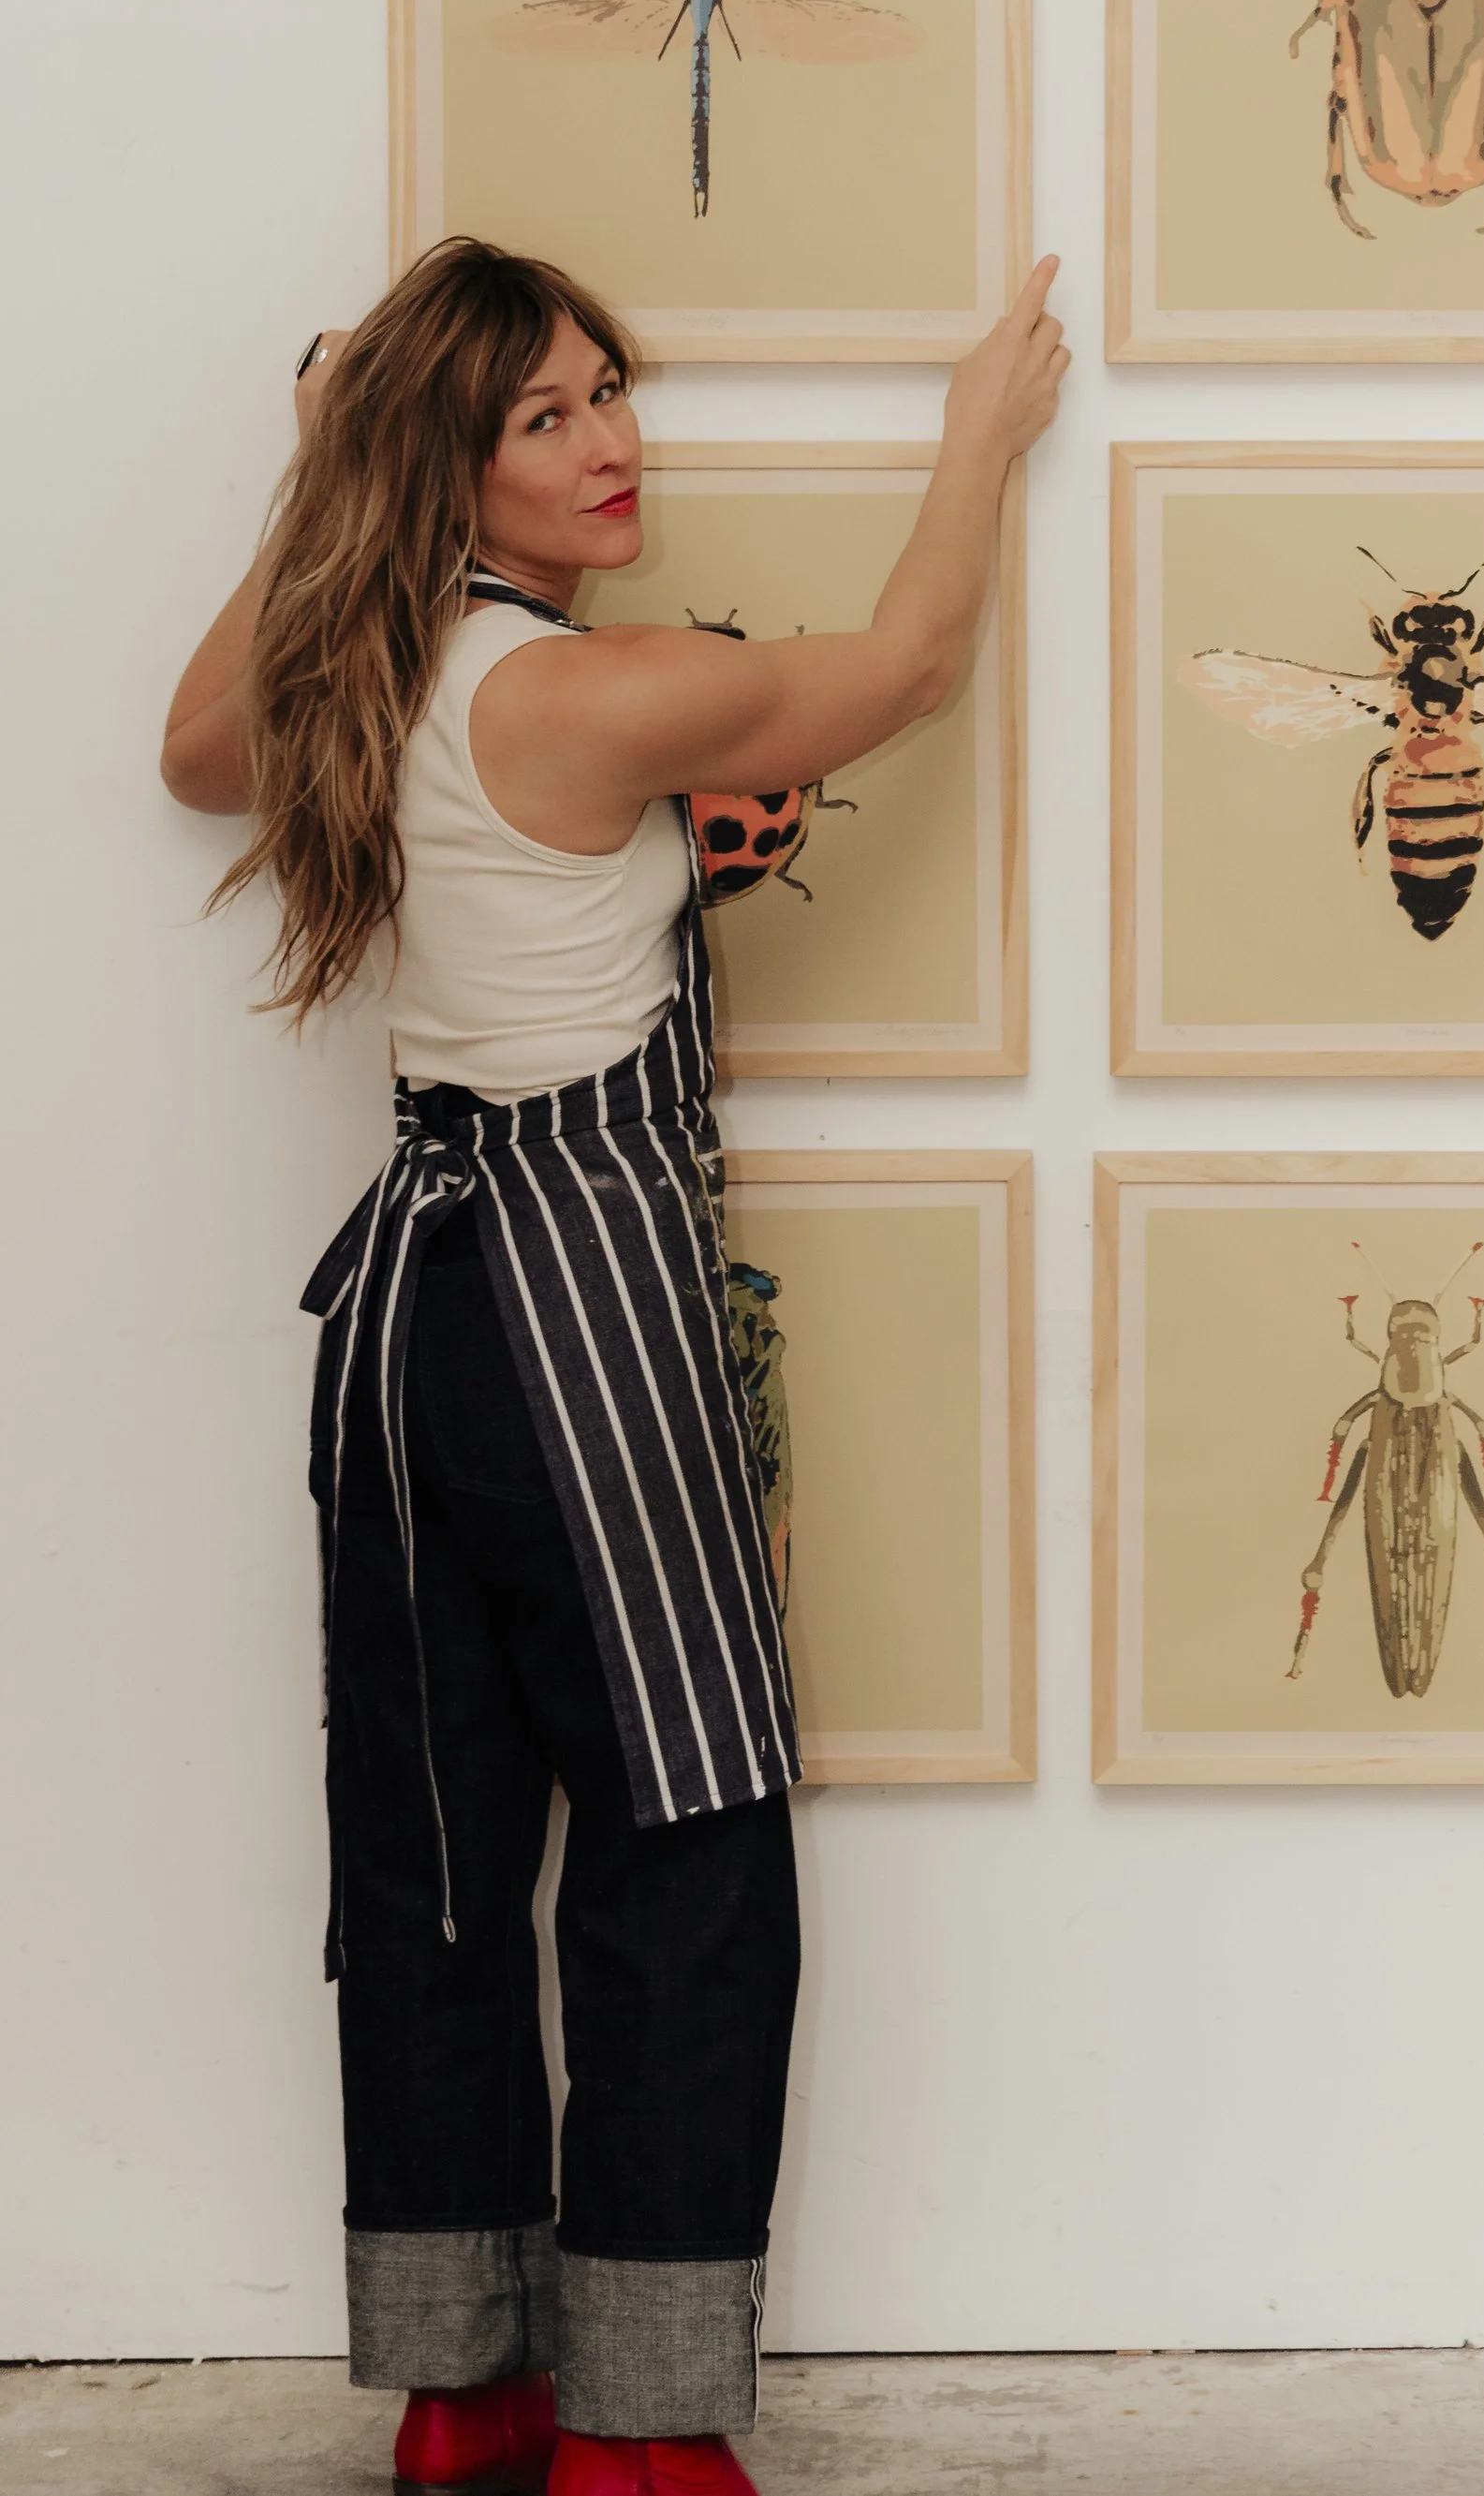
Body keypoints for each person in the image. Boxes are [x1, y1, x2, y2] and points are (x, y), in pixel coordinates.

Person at [162, 238, 1067, 2496]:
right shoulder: (593, 693)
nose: (607, 445)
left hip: (403, 1318)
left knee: (438, 1844)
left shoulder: (361, 670)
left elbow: (190, 753)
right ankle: (640, 2436)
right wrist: (977, 436)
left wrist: (321, 479)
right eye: (543, 417)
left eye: (607, 391)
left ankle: (462, 2384)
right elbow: (908, 668)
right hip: (576, 1290)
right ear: (449, 463)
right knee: (688, 1838)